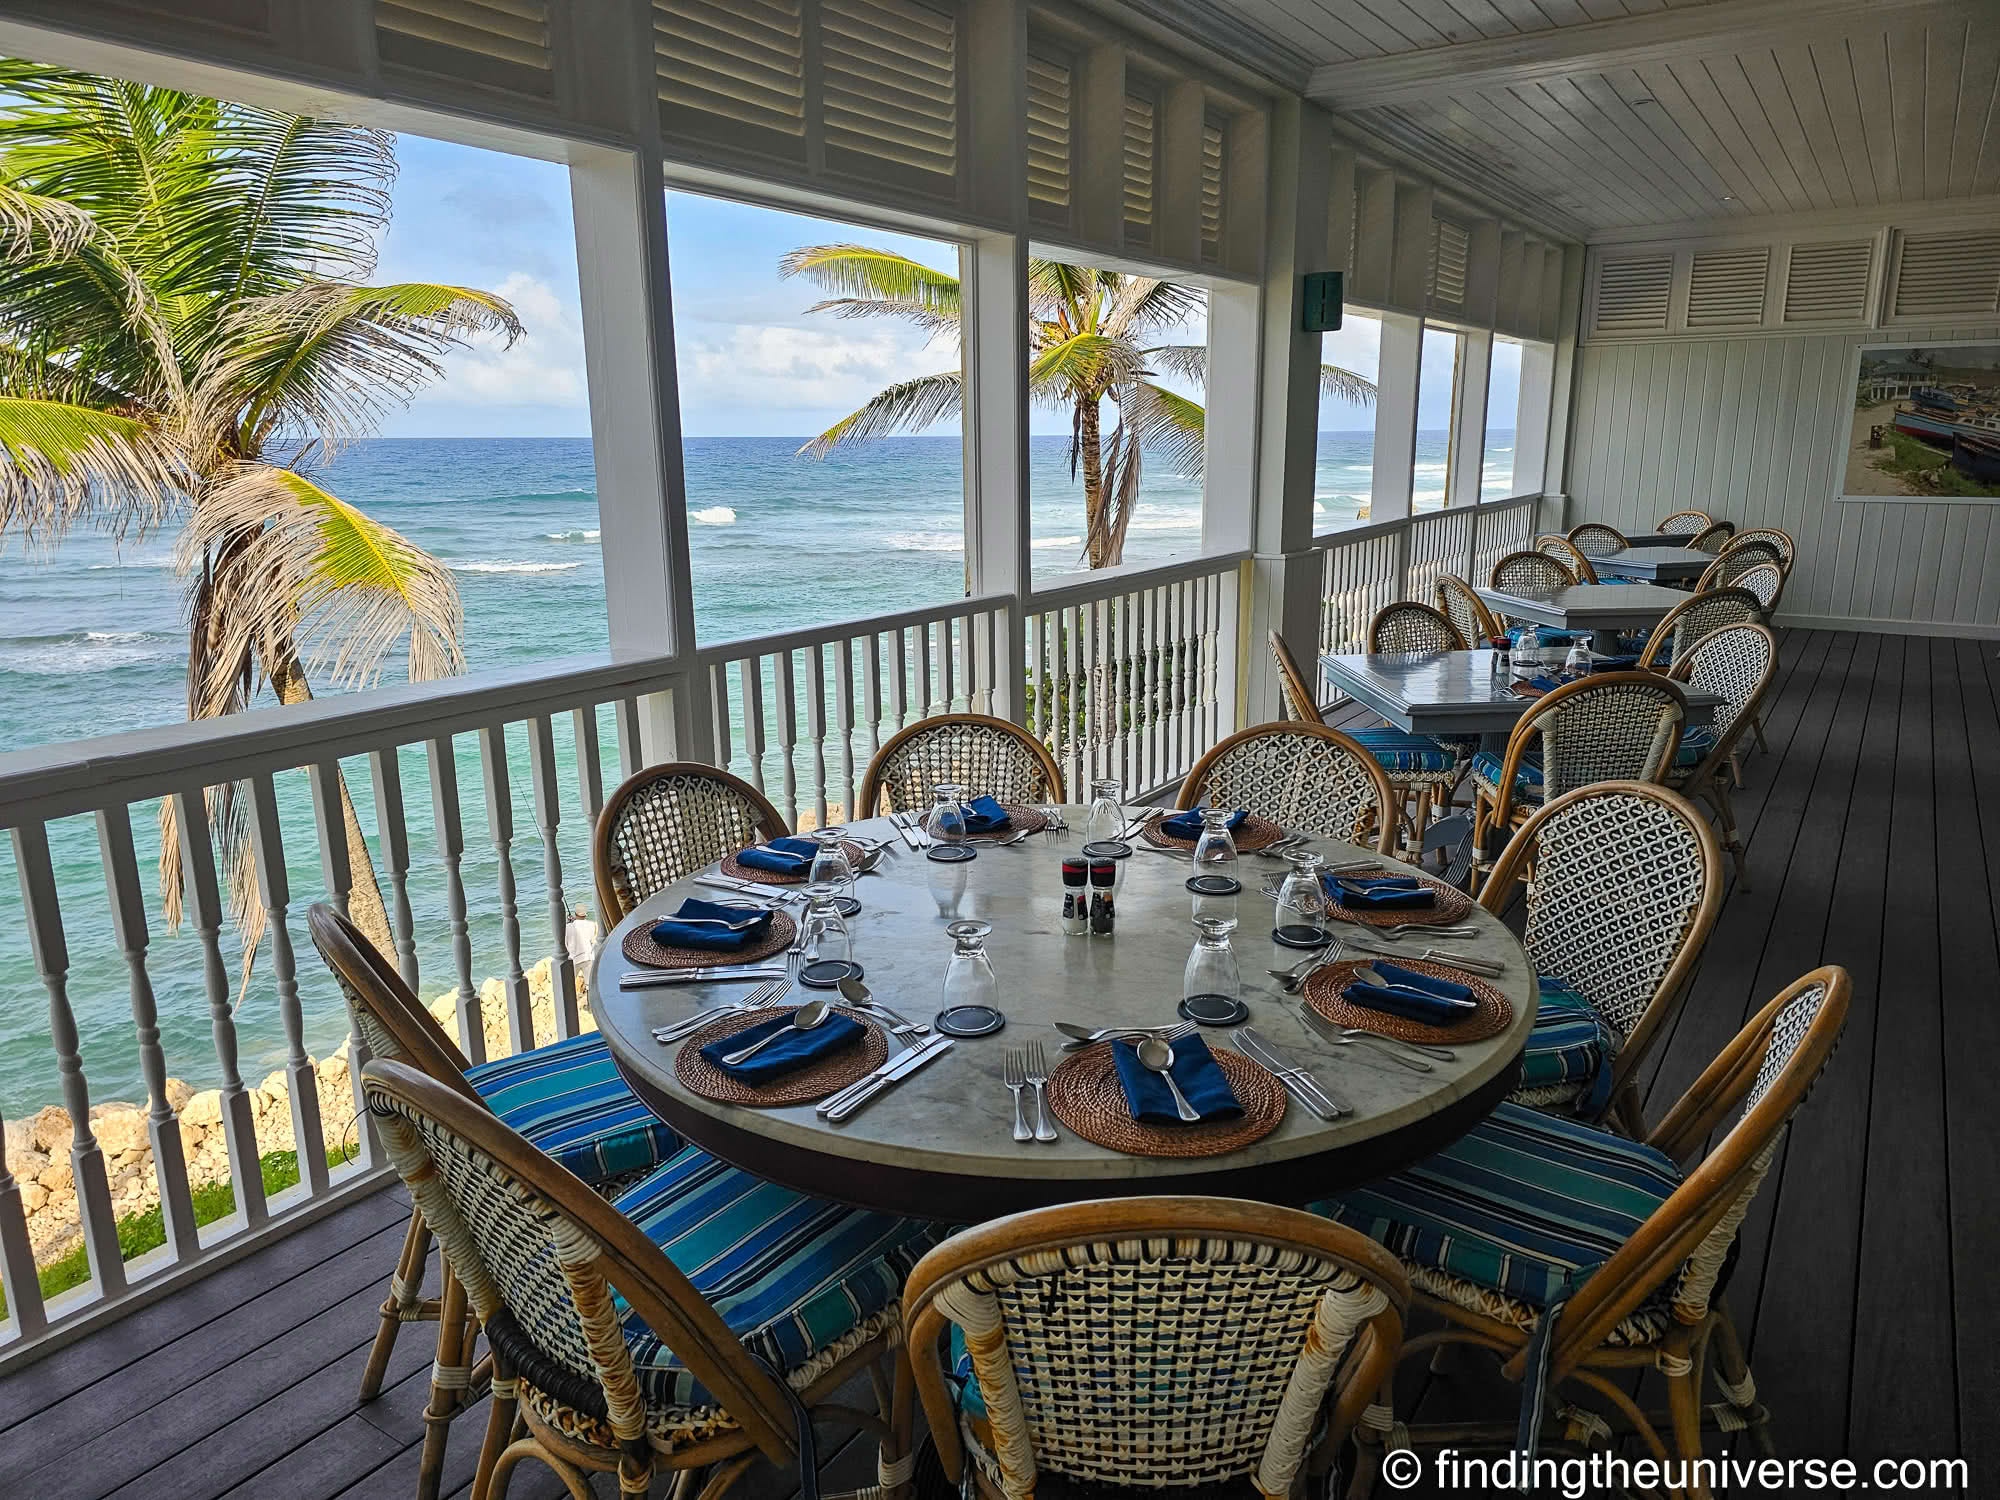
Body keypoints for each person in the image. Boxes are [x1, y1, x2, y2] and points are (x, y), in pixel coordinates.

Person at [563, 903, 600, 981]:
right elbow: (592, 939)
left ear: (575, 913)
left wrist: (569, 923)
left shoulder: (567, 927)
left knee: (569, 982)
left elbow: (565, 942)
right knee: (589, 983)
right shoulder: (592, 924)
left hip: (573, 959)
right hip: (588, 958)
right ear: (585, 914)